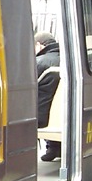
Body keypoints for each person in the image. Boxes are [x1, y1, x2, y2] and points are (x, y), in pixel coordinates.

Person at [35, 31, 61, 160]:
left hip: (41, 117)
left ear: (39, 45)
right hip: (64, 115)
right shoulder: (69, 61)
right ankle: (55, 147)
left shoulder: (38, 62)